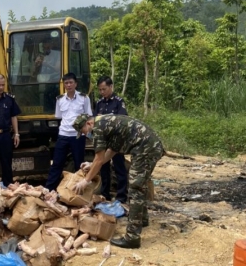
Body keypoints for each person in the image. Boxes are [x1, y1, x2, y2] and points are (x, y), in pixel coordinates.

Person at [72, 114, 164, 249]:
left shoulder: (98, 129)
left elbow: (99, 159)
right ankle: (141, 219)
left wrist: (86, 181)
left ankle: (132, 237)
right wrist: (92, 165)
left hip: (146, 148)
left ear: (89, 124)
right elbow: (112, 151)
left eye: (84, 132)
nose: (86, 135)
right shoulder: (105, 123)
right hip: (148, 146)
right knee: (139, 184)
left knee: (135, 187)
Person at [45, 72, 92, 191]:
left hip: (77, 136)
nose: (69, 85)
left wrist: (87, 132)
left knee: (79, 164)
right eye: (66, 83)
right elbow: (59, 116)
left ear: (76, 84)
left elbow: (89, 116)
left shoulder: (84, 98)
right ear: (64, 85)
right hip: (63, 134)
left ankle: (79, 190)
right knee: (57, 163)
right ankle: (49, 190)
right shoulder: (60, 99)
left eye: (71, 82)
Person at [94, 75, 128, 203]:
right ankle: (105, 194)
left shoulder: (118, 101)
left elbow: (122, 118)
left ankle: (121, 196)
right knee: (103, 167)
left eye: (104, 89)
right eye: (100, 90)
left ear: (111, 87)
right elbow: (95, 119)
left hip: (116, 140)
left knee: (119, 167)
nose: (102, 92)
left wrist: (105, 117)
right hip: (104, 140)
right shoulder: (99, 103)